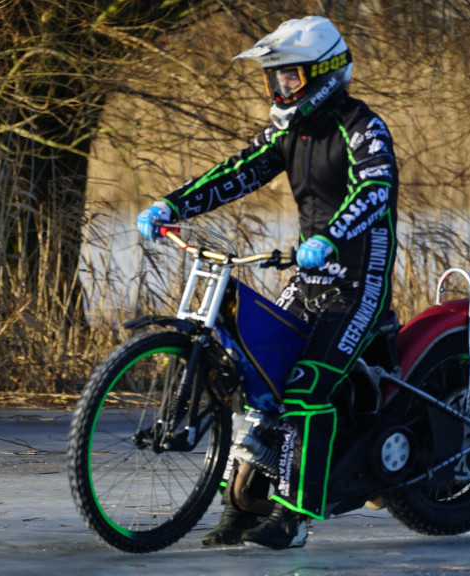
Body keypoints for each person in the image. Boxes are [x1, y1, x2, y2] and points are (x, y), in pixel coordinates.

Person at [136, 15, 398, 549]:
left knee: (304, 388)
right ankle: (240, 508)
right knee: (258, 385)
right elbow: (240, 169)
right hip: (311, 276)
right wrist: (173, 204)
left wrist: (330, 234)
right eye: (275, 78)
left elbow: (376, 189)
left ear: (323, 74)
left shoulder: (362, 127)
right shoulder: (290, 131)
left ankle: (294, 516)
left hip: (358, 282)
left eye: (291, 77)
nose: (280, 87)